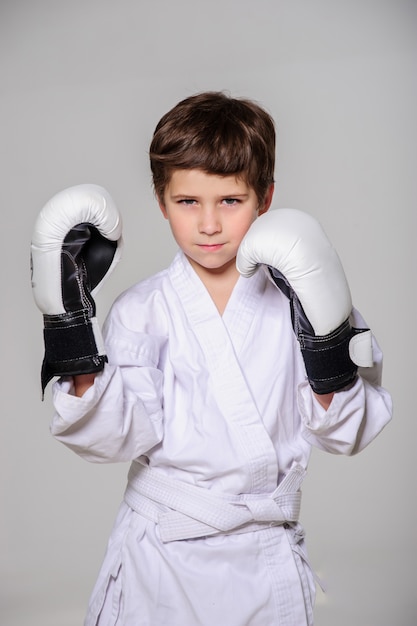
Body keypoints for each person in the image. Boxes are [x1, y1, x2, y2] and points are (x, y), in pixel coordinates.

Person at [31, 92, 392, 626]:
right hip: (163, 557)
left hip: (262, 554)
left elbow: (348, 434)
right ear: (161, 201)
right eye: (187, 202)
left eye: (229, 201)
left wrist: (326, 350)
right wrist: (71, 338)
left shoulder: (307, 297)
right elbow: (113, 440)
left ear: (265, 198)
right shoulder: (142, 310)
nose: (208, 225)